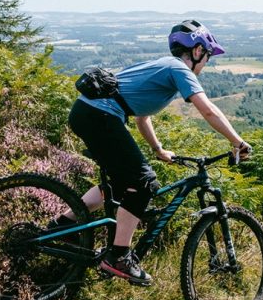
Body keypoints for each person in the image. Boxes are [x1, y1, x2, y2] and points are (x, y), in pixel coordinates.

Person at [52, 20, 251, 286]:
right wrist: (238, 142)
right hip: (99, 116)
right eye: (207, 56)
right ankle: (119, 256)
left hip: (87, 113)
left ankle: (64, 225)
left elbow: (141, 118)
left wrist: (158, 149)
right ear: (196, 51)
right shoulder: (180, 70)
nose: (206, 63)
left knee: (119, 184)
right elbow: (208, 110)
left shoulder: (160, 67)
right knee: (144, 183)